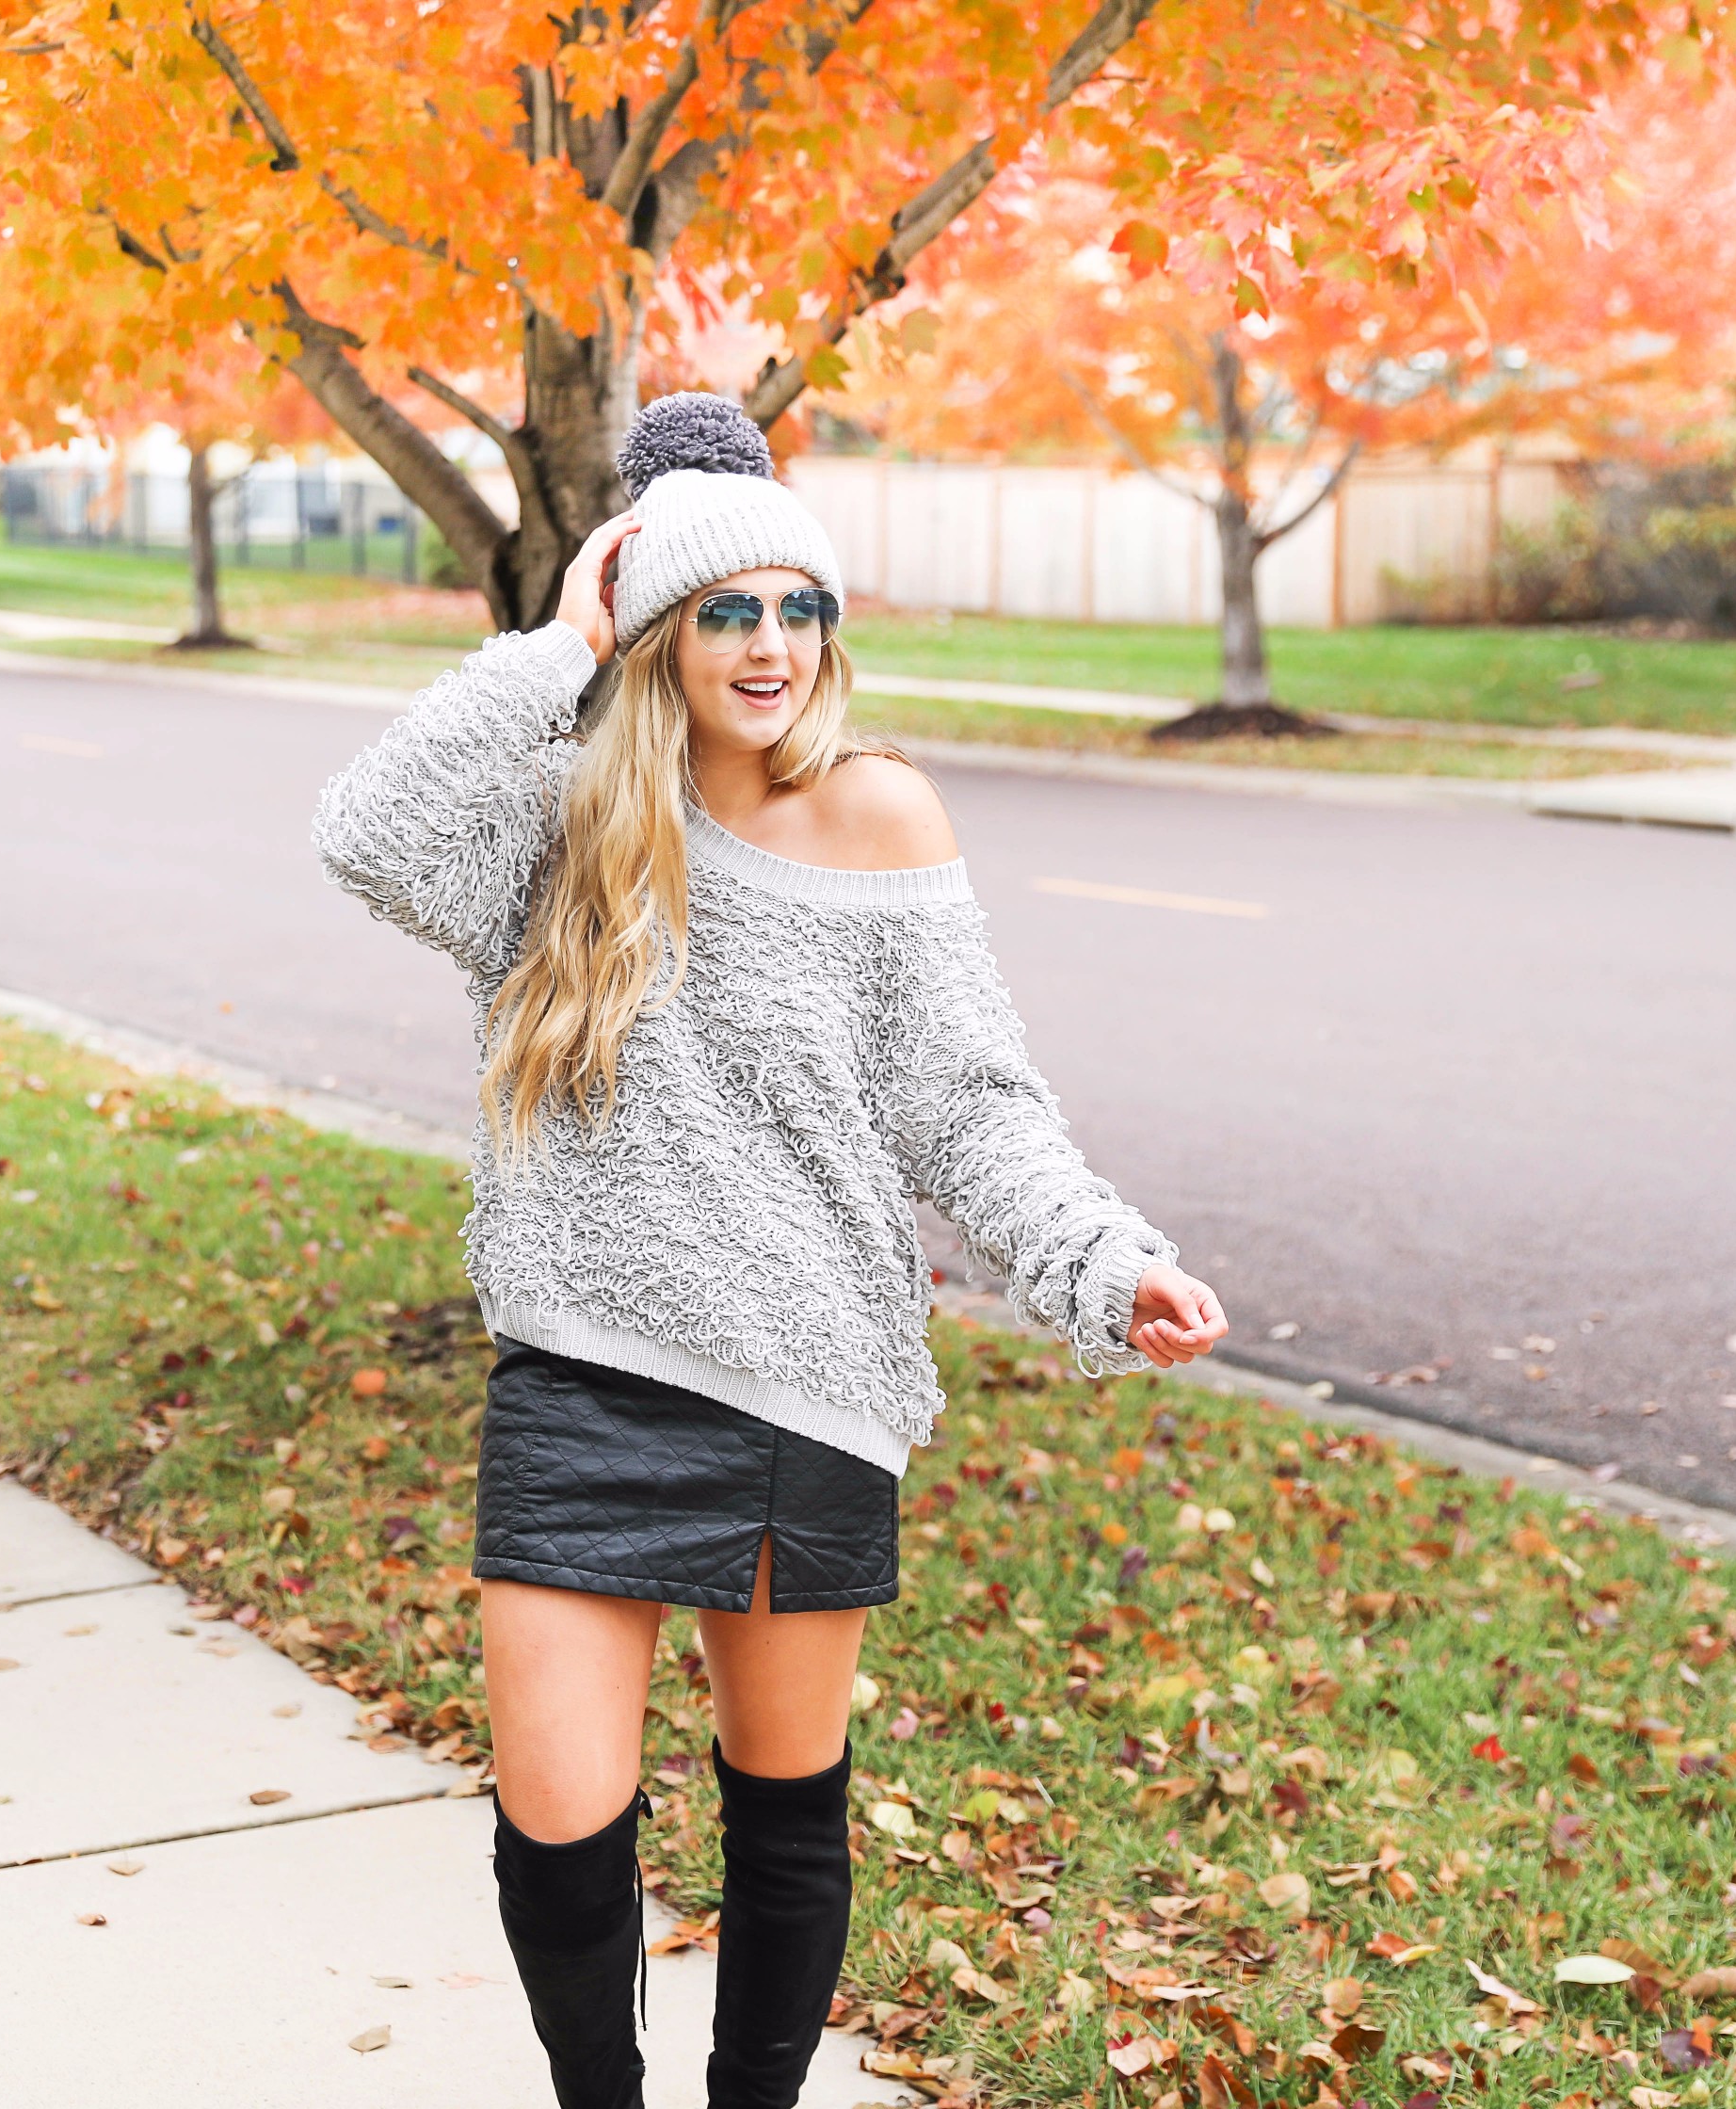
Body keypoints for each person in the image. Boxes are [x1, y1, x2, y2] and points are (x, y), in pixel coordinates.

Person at [313, 393, 1228, 2109]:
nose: (772, 645)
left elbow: (971, 1105)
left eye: (801, 609)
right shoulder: (555, 825)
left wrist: (1107, 1263)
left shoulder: (880, 816)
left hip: (806, 1382)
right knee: (556, 1826)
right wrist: (557, 641)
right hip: (584, 1369)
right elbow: (364, 831)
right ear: (657, 628)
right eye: (726, 608)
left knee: (782, 1807)